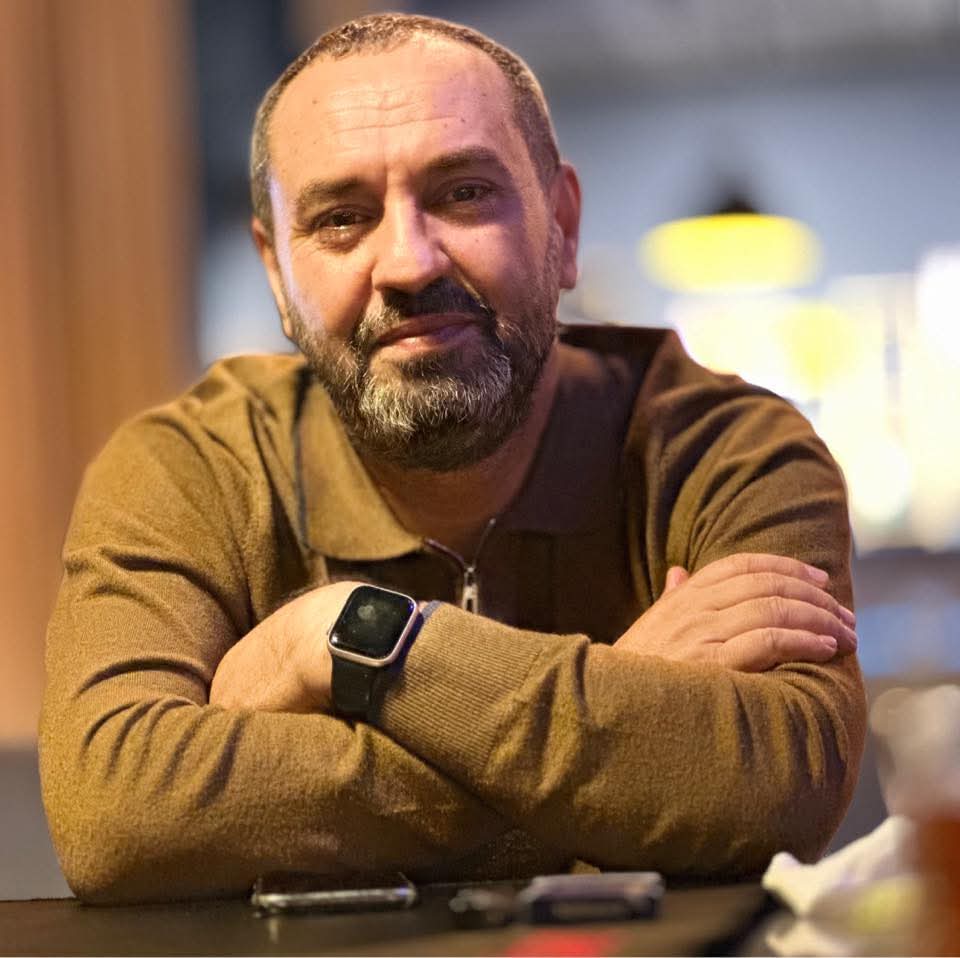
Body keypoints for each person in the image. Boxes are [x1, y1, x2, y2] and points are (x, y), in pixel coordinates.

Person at [40, 13, 864, 904]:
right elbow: (114, 811)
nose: (407, 261)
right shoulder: (187, 468)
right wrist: (617, 724)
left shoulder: (729, 450)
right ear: (277, 272)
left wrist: (343, 637)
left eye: (464, 194)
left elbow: (784, 781)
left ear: (562, 225)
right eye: (342, 218)